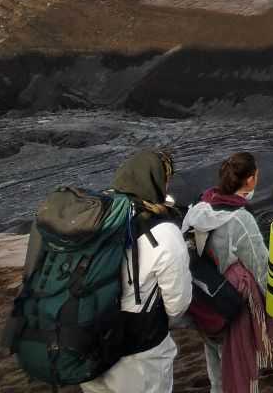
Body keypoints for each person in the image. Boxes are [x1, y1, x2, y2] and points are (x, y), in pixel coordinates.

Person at [81, 150, 191, 393]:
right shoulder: (164, 233)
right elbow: (178, 304)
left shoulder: (91, 216)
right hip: (139, 354)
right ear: (157, 181)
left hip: (87, 343)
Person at [182, 152, 272, 393]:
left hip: (202, 303)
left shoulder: (198, 207)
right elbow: (261, 266)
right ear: (251, 180)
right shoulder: (240, 220)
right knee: (239, 370)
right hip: (230, 308)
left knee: (217, 372)